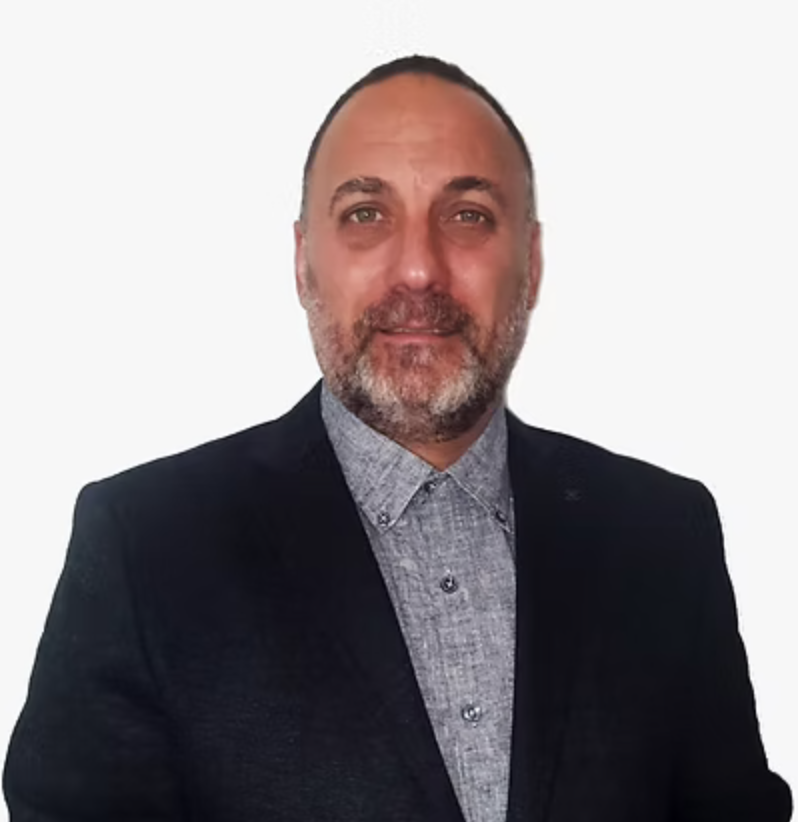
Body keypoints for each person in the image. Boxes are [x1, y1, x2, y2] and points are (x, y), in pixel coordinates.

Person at [3, 54, 791, 822]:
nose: (418, 270)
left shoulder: (663, 535)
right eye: (365, 215)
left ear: (531, 264)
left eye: (468, 215)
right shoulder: (147, 546)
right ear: (304, 263)